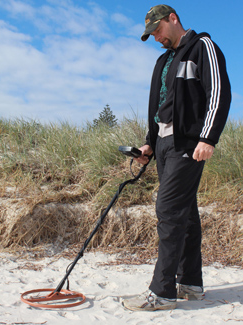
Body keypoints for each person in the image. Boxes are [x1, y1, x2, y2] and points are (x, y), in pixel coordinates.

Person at [122, 4, 231, 311]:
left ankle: (162, 292)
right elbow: (160, 107)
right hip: (165, 145)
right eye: (151, 34)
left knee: (168, 208)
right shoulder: (163, 60)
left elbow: (219, 93)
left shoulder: (202, 47)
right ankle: (191, 283)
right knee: (186, 212)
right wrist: (149, 146)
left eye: (157, 30)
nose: (156, 37)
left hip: (188, 143)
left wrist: (207, 138)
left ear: (173, 19)